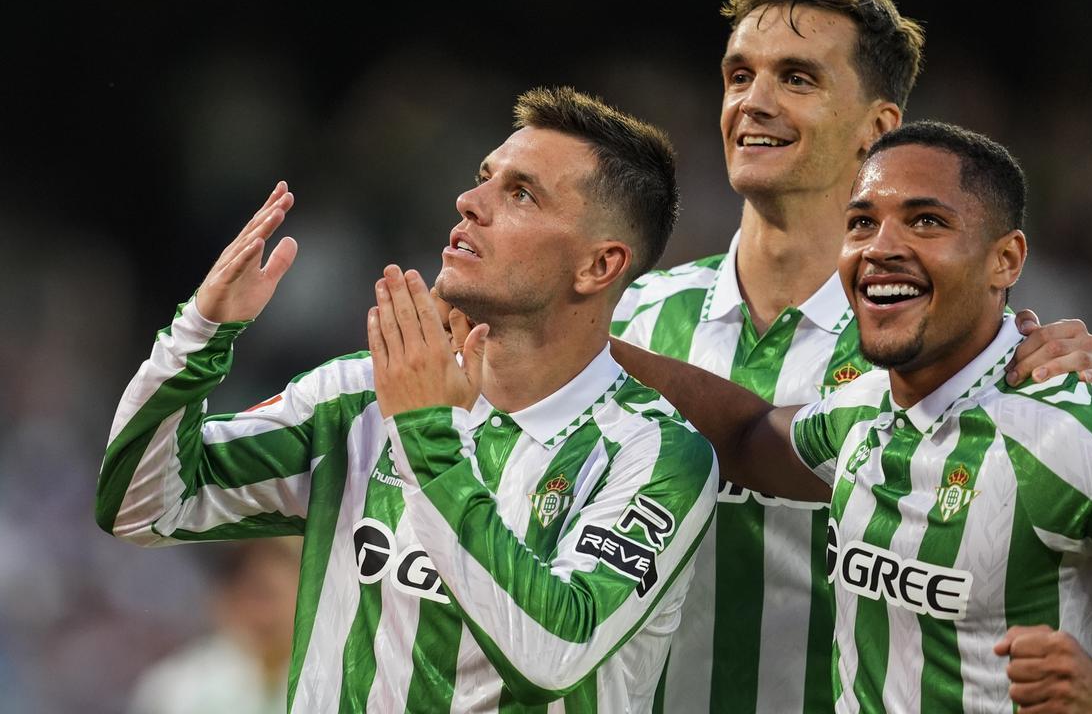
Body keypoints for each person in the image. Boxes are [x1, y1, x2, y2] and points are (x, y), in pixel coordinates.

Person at [96, 87, 718, 713]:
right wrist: (200, 335)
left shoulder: (656, 454)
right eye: (483, 179)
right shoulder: (356, 399)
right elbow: (140, 505)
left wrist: (426, 437)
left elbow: (553, 652)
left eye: (521, 193)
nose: (469, 203)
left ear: (599, 266)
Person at [610, 0, 1092, 713]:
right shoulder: (637, 313)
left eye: (798, 77)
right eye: (739, 74)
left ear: (877, 128)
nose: (754, 100)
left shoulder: (956, 351)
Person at [614, 121, 1092, 712]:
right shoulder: (862, 410)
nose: (881, 247)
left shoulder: (1075, 431)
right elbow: (745, 436)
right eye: (862, 222)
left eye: (926, 221)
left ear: (1006, 259)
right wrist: (575, 341)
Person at [127, 539, 301, 714]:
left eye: (268, 595)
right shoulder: (175, 691)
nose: (260, 614)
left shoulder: (322, 680)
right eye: (241, 596)